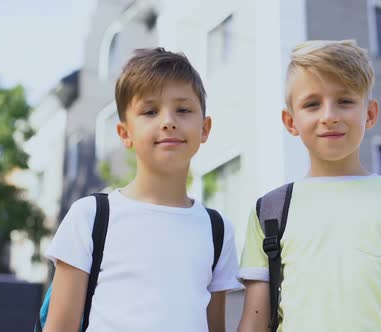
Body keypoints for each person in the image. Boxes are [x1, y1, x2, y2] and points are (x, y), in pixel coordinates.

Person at [237, 40, 381, 331]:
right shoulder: (271, 212)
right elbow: (253, 323)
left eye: (345, 101)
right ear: (290, 121)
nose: (329, 116)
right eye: (312, 104)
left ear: (370, 113)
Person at [43, 48, 241, 332]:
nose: (168, 121)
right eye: (150, 111)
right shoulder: (91, 217)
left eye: (183, 110)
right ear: (125, 133)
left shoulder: (218, 230)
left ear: (205, 128)